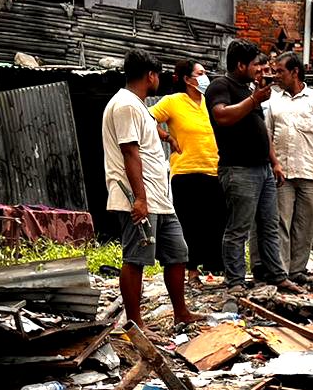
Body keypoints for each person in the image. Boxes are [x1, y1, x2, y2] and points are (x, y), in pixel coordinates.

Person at [101, 49, 200, 328]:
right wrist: (140, 199)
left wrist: (166, 136)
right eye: (158, 75)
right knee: (136, 259)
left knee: (178, 253)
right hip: (138, 197)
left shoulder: (137, 105)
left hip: (159, 197)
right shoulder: (125, 106)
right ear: (150, 76)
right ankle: (135, 323)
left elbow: (146, 130)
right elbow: (130, 152)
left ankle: (181, 313)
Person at [205, 39, 291, 293]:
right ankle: (235, 281)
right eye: (255, 64)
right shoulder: (221, 86)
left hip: (262, 168)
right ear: (241, 65)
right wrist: (253, 100)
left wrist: (274, 162)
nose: (260, 69)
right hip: (239, 169)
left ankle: (276, 275)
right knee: (238, 228)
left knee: (269, 225)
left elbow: (261, 130)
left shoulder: (248, 89)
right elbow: (221, 115)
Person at [266, 51, 313, 284]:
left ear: (295, 72)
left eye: (280, 71)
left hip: (310, 171)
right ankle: (282, 273)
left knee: (305, 224)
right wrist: (274, 163)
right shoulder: (274, 101)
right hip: (282, 172)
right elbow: (268, 135)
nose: (276, 76)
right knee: (281, 223)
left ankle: (298, 271)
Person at [150, 59, 223, 274]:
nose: (204, 78)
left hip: (213, 169)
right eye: (199, 74)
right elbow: (145, 117)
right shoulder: (174, 101)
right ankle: (191, 270)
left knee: (215, 223)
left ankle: (214, 269)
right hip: (186, 172)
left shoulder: (211, 102)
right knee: (190, 224)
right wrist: (166, 137)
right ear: (186, 79)